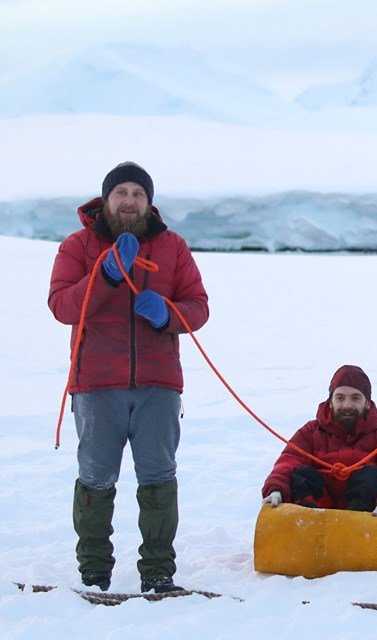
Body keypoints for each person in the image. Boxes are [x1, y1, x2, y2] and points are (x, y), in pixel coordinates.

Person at [48, 162, 210, 594]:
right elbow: (62, 306)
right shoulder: (77, 246)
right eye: (121, 192)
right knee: (97, 476)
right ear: (106, 200)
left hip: (159, 383)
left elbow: (198, 306)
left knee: (158, 475)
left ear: (149, 202)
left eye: (138, 193)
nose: (129, 201)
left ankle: (158, 571)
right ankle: (94, 571)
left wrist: (168, 315)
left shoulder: (173, 247)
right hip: (97, 383)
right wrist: (102, 278)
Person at [261, 365, 377, 543]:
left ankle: (357, 530)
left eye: (355, 398)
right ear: (330, 401)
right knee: (302, 474)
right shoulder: (309, 432)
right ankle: (306, 528)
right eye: (340, 398)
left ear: (367, 403)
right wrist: (276, 490)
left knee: (371, 475)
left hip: (369, 528)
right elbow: (287, 463)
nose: (347, 405)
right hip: (316, 523)